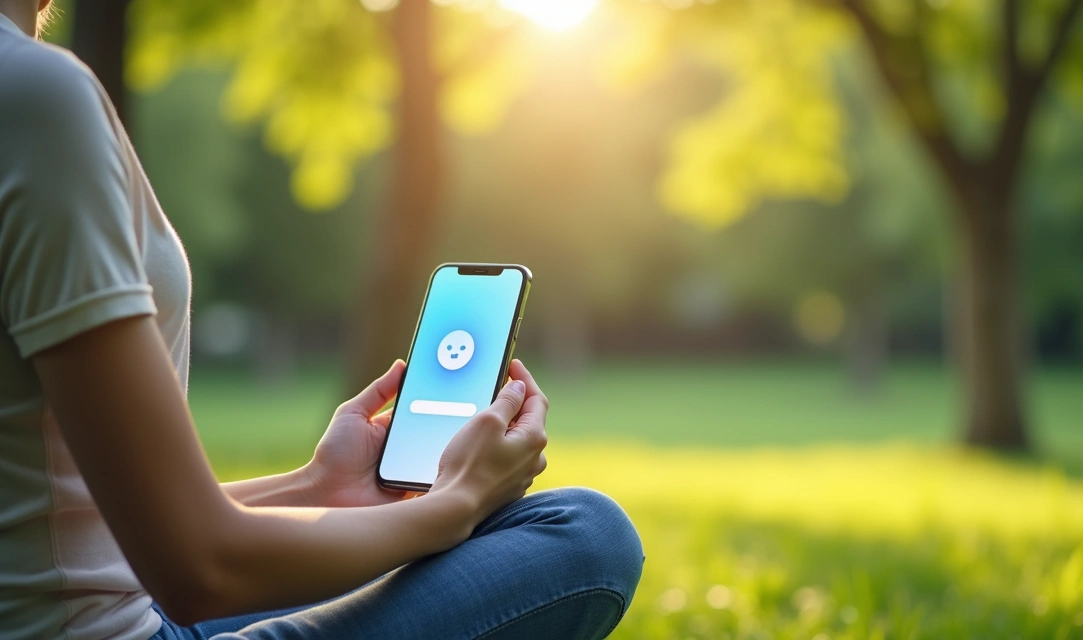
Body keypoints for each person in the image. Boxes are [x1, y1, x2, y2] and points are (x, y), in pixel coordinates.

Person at [0, 1, 644, 638]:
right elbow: (198, 569)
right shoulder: (37, 96)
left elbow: (106, 526)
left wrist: (318, 488)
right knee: (585, 536)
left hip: (108, 606)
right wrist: (456, 504)